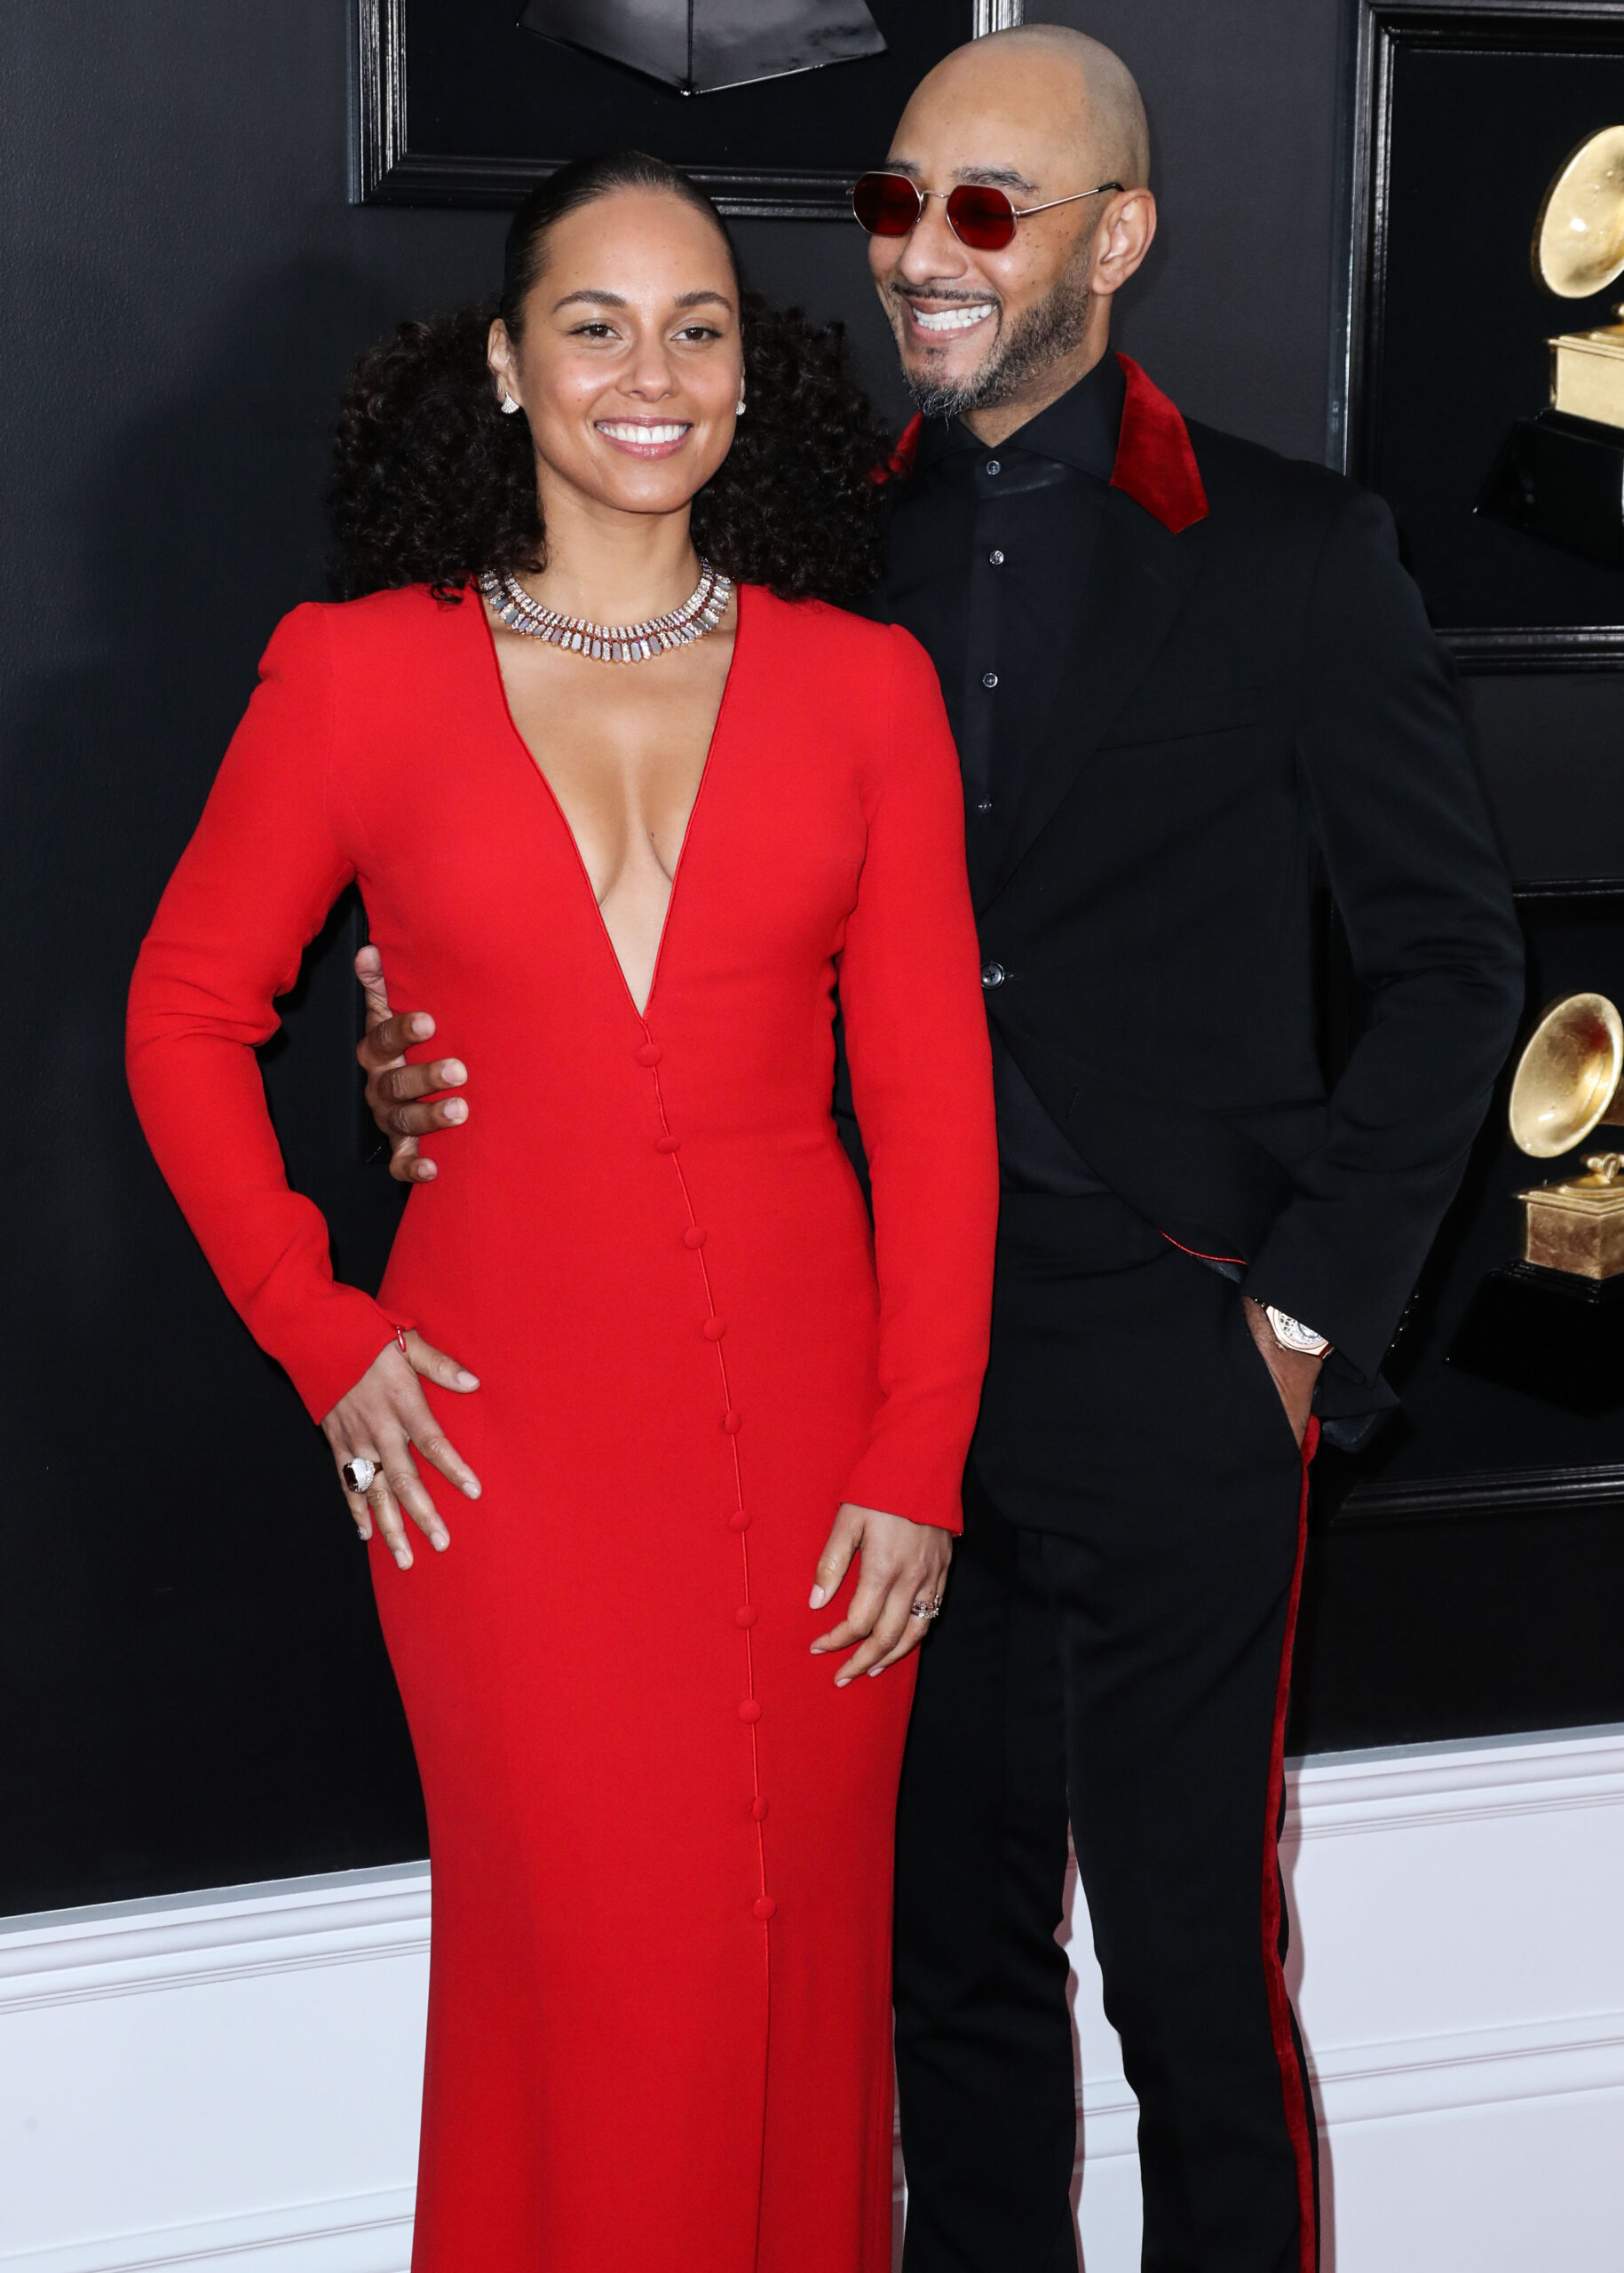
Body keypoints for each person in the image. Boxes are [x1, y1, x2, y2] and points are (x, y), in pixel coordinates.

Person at [354, 28, 1526, 2273]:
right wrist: (406, 1062)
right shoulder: (803, 557)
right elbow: (595, 912)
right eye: (898, 203)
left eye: (988, 206)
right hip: (870, 1367)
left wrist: (1294, 1313)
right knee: (943, 1978)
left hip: (1176, 1340)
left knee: (1190, 1976)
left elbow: (1460, 969)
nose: (924, 252)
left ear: (1122, 235)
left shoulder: (1292, 549)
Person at [126, 151, 998, 2273]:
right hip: (493, 1451)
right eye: (595, 325)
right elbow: (178, 1013)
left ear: (745, 378)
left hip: (818, 1451)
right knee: (589, 1974)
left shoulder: (864, 686)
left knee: (799, 1969)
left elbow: (935, 1105)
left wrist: (918, 1451)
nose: (651, 371)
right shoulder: (353, 672)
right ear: (508, 364)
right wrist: (319, 1328)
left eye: (697, 327)